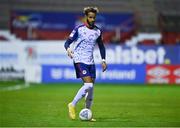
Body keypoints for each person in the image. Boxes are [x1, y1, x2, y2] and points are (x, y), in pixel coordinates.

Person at [64, 6, 107, 121]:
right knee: (88, 85)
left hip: (90, 62)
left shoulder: (97, 31)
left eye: (94, 17)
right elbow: (67, 42)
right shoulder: (79, 29)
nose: (92, 19)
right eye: (90, 17)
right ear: (86, 17)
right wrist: (68, 49)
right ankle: (72, 104)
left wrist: (103, 60)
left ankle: (87, 113)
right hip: (79, 60)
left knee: (91, 90)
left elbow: (101, 46)